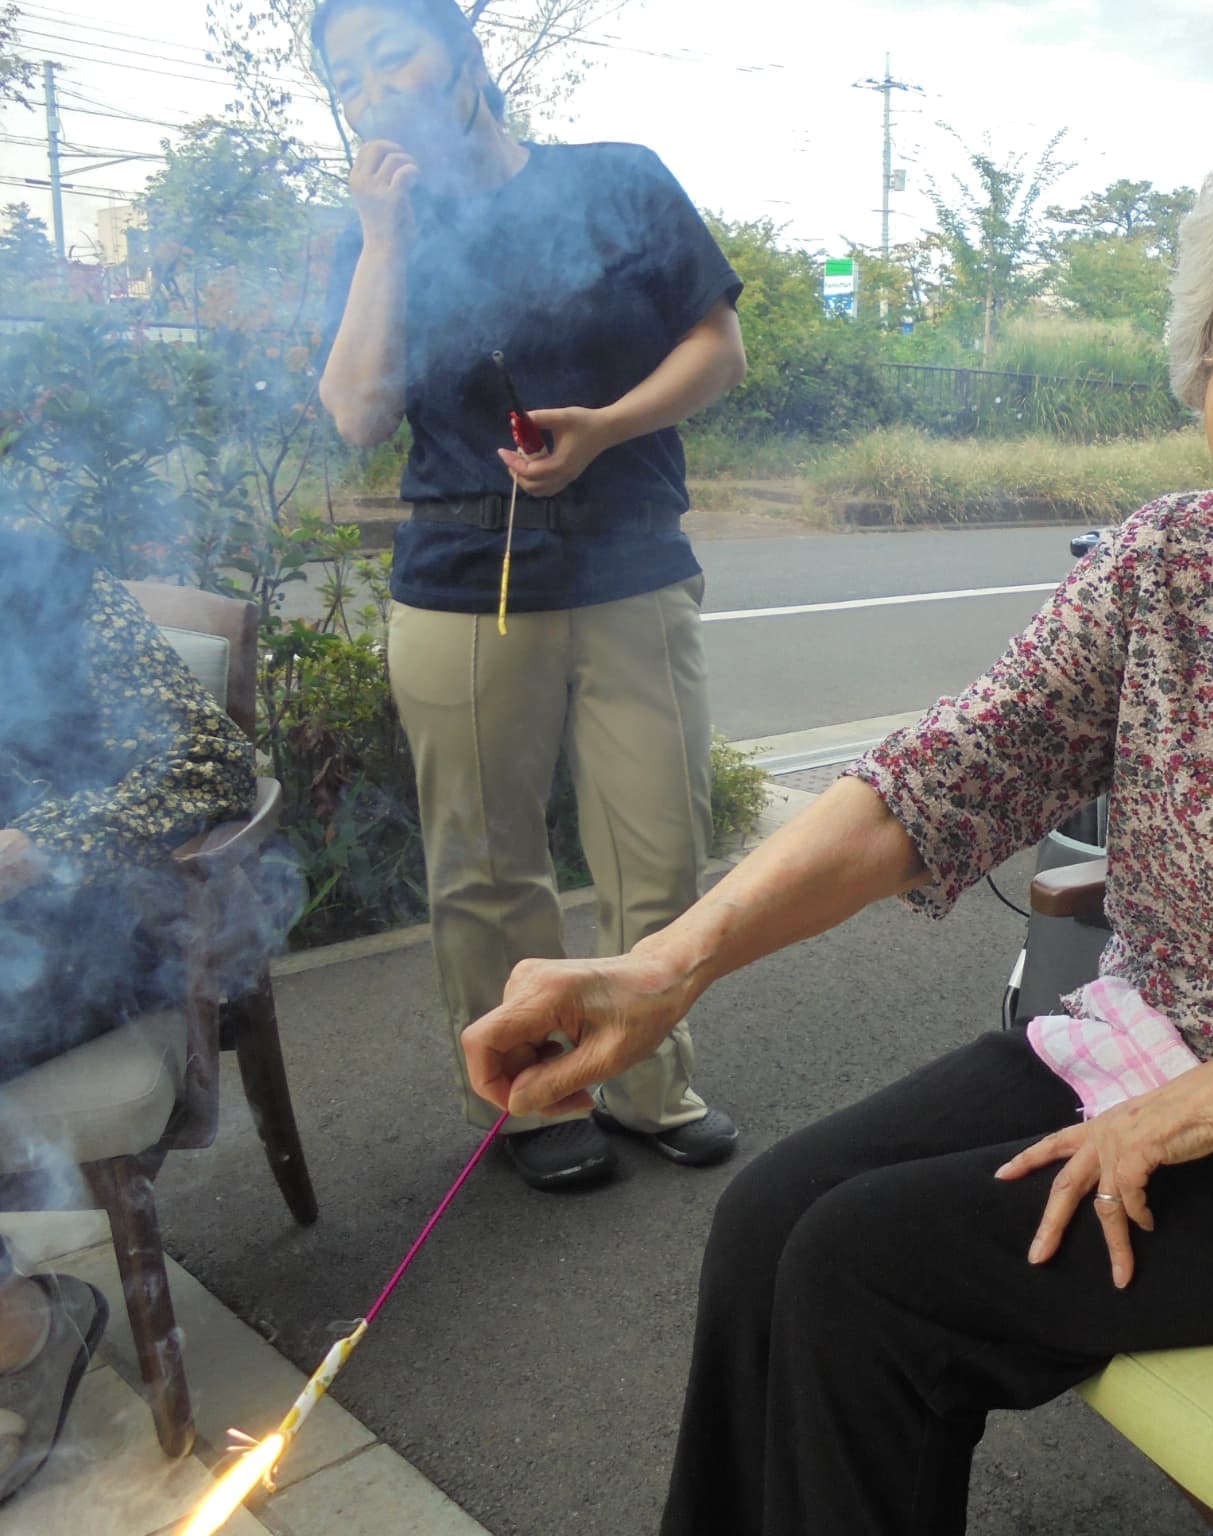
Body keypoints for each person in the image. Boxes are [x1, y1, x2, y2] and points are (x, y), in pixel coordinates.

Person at [463, 91, 1213, 1535]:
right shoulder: (1164, 568)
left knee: (868, 1273)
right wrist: (665, 968)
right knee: (765, 1217)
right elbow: (936, 779)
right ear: (1207, 387)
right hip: (1139, 1054)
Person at [312, 0, 749, 1190]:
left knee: (658, 851)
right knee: (484, 864)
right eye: (345, 75)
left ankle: (653, 1080)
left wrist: (605, 429)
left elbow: (719, 350)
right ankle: (532, 1097)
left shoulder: (616, 181)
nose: (372, 87)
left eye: (391, 51)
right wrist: (386, 237)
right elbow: (354, 411)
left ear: (466, 54)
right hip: (461, 582)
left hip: (628, 564)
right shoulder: (374, 224)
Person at [0, 519, 258, 1502]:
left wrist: (34, 845)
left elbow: (206, 767)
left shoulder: (45, 577)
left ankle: (22, 1332)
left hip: (77, 933)